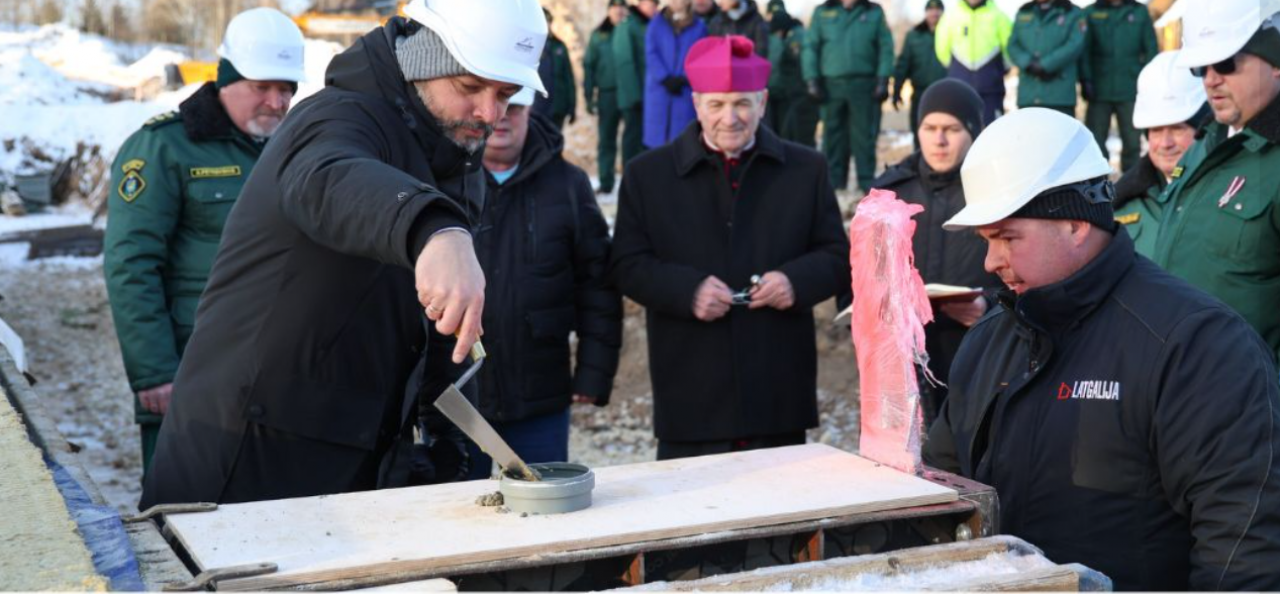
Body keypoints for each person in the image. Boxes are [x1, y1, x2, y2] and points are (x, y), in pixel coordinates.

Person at [140, 0, 547, 507]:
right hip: (246, 455)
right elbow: (328, 175)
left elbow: (444, 317)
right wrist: (434, 228)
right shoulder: (336, 118)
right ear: (423, 63)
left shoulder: (452, 152)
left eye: (505, 95)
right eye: (469, 88)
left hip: (352, 452)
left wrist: (453, 438)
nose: (490, 114)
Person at [925, 107, 1280, 590]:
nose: (990, 262)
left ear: (1075, 224)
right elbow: (943, 491)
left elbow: (1244, 548)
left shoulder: (1196, 346)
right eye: (987, 240)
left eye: (1007, 237)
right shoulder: (991, 340)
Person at [612, 35, 849, 460]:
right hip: (690, 391)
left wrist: (794, 281)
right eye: (717, 105)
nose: (730, 118)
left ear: (762, 102)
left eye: (742, 103)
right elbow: (627, 264)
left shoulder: (805, 169)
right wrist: (687, 291)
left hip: (778, 388)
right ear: (697, 103)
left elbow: (835, 255)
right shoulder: (647, 175)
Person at [103, 8, 304, 480]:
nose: (277, 102)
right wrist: (153, 371)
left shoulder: (294, 148)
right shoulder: (164, 148)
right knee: (190, 505)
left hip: (279, 371)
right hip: (195, 371)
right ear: (225, 80)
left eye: (287, 89)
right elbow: (132, 263)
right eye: (263, 87)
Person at [467, 88, 622, 478]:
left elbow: (597, 284)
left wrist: (594, 371)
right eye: (496, 106)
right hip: (461, 396)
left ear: (529, 110)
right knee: (457, 517)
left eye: (513, 107)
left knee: (543, 512)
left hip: (540, 396)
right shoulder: (445, 181)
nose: (501, 117)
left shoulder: (567, 186)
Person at [1151, 0, 1280, 364]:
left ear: (1275, 62)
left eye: (1225, 63)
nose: (1210, 78)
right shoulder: (1205, 144)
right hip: (1184, 384)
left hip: (1252, 402)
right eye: (1200, 67)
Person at [871, 79, 997, 420]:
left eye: (951, 129)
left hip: (978, 356)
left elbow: (1029, 276)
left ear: (973, 131)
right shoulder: (890, 192)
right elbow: (860, 273)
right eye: (929, 128)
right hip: (905, 362)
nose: (939, 140)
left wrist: (990, 306)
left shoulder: (996, 192)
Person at [1112, 51, 1208, 258]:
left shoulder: (1229, 194)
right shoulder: (1119, 204)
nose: (1165, 143)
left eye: (1177, 129)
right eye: (1155, 130)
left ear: (1204, 131)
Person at [802, 0, 893, 192]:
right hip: (831, 85)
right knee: (833, 137)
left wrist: (883, 78)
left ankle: (866, 184)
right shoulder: (822, 12)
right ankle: (834, 185)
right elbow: (810, 47)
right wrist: (811, 79)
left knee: (864, 136)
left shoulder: (873, 12)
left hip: (864, 85)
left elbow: (885, 46)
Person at [1079, 0, 1157, 173]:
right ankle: (1097, 186)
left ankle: (1131, 187)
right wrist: (1086, 79)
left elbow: (1151, 48)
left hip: (1131, 89)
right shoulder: (1091, 13)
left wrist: (1149, 82)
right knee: (1094, 142)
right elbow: (1084, 50)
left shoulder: (1139, 12)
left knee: (1132, 143)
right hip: (1099, 90)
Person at [934, 0, 1012, 126]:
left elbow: (1010, 48)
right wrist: (957, 69)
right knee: (960, 129)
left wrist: (997, 71)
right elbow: (941, 49)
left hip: (991, 89)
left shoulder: (998, 15)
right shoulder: (950, 16)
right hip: (959, 86)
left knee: (992, 130)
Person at [644, 0, 707, 148]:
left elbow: (700, 55)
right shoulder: (656, 23)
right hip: (660, 88)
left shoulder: (699, 26)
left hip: (684, 89)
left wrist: (685, 77)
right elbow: (651, 53)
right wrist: (664, 77)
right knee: (657, 142)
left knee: (683, 140)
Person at [1007, 0, 1086, 116]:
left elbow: (1075, 44)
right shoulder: (1024, 11)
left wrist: (1045, 65)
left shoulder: (1072, 12)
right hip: (1029, 94)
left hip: (1060, 95)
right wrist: (1028, 64)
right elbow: (1012, 45)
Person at [585, 0, 630, 194]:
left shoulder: (633, 31)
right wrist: (589, 96)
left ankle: (632, 182)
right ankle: (606, 182)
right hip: (607, 94)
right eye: (615, 6)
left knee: (632, 140)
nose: (619, 10)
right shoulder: (598, 35)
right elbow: (589, 66)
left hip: (631, 93)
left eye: (622, 6)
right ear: (609, 10)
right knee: (606, 140)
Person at [893, 0, 948, 149]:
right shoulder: (914, 36)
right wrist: (897, 90)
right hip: (920, 94)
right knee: (921, 135)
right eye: (931, 9)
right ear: (926, 12)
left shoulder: (952, 32)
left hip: (947, 94)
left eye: (938, 9)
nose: (934, 13)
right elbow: (903, 64)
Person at [763, 0, 817, 147]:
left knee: (793, 135)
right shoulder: (766, 32)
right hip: (771, 94)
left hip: (792, 94)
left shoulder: (796, 34)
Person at [614, 0, 656, 164]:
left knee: (646, 140)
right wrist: (634, 96)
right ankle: (629, 178)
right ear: (642, 4)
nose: (655, 7)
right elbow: (625, 62)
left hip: (648, 94)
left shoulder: (649, 25)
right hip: (634, 96)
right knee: (632, 138)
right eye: (652, 4)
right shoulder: (628, 26)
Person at [534, 9, 578, 130]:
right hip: (536, 108)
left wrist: (572, 106)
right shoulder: (530, 45)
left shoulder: (560, 46)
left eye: (547, 21)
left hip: (557, 107)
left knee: (555, 143)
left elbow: (568, 78)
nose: (545, 25)